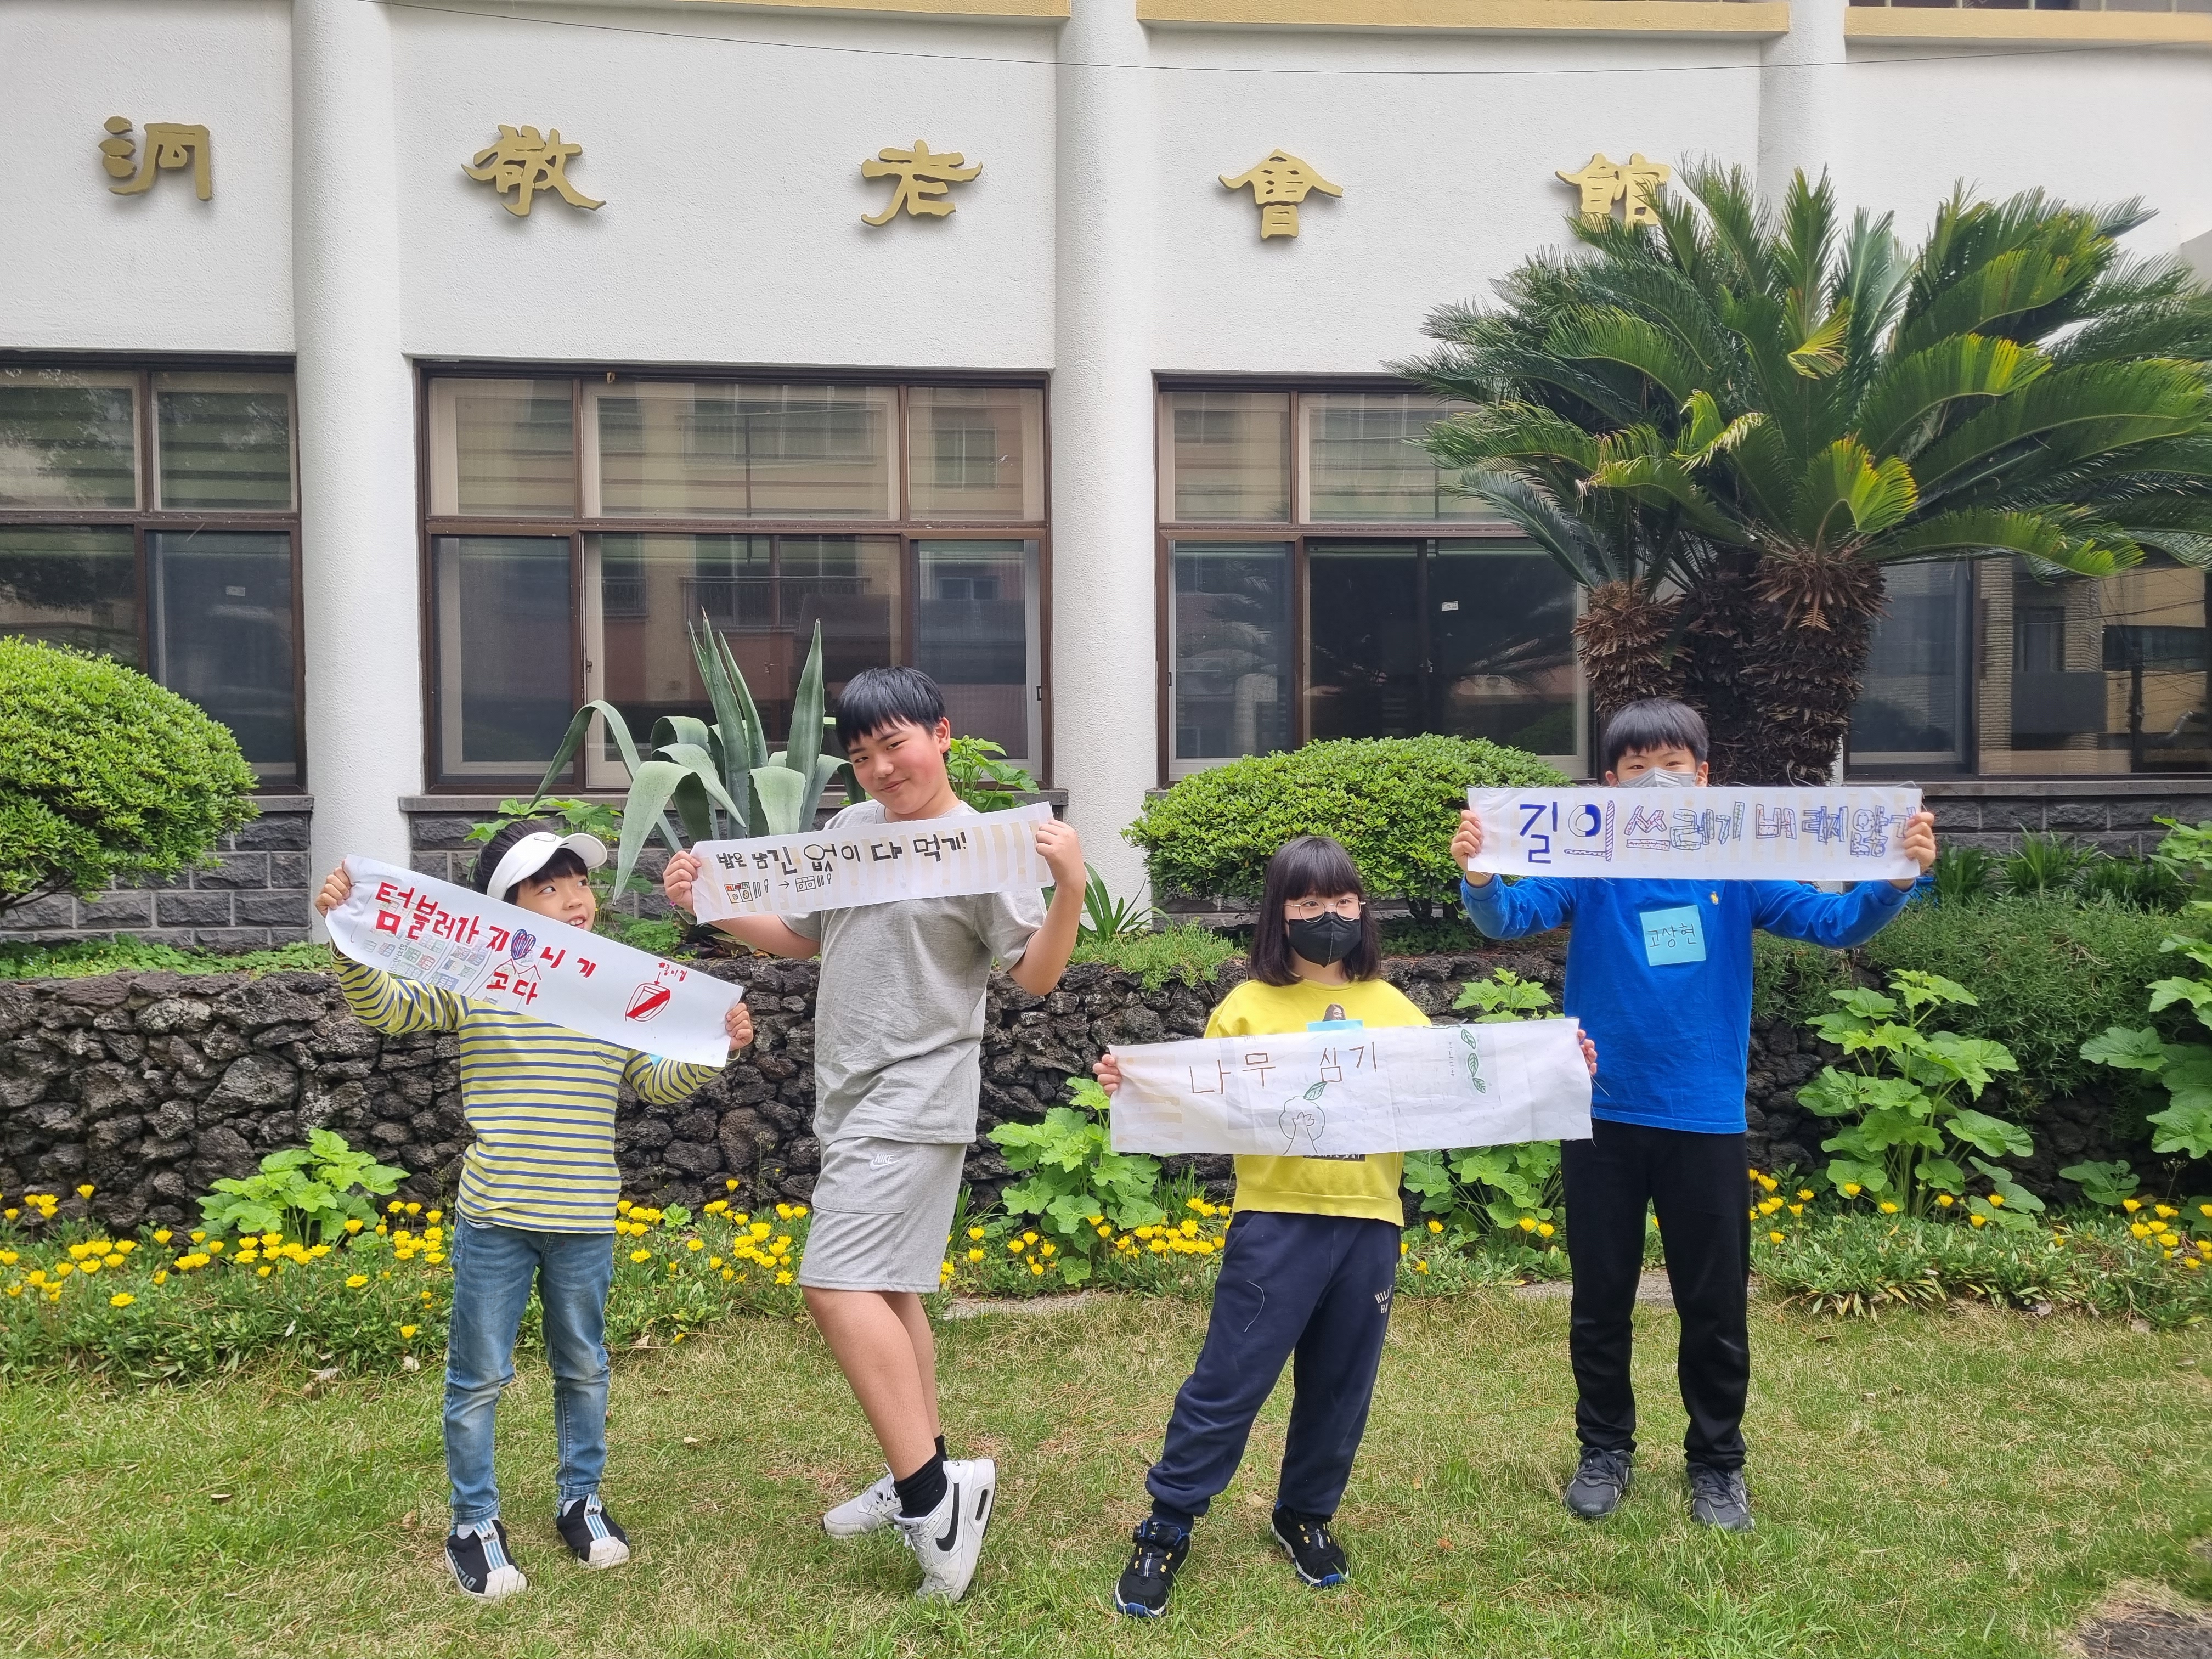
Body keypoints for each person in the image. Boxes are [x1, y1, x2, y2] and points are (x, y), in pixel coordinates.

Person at [1453, 698, 1937, 1533]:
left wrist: (1896, 878)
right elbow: (1512, 917)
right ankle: (1604, 1449)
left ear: (1705, 777)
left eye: (1673, 766)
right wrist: (1480, 876)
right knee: (1600, 1298)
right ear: (1609, 785)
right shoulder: (1591, 863)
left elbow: (1830, 921)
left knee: (1713, 1306)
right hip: (1600, 1113)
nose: (1656, 780)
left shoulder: (1738, 865)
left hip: (1703, 1117)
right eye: (1636, 768)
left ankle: (1718, 1464)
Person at [662, 665, 1087, 1603]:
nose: (882, 768)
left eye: (895, 745)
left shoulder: (982, 848)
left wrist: (1070, 887)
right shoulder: (853, 829)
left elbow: (1034, 976)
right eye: (862, 756)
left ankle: (935, 1502)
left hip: (919, 1092)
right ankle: (925, 1469)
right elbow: (806, 934)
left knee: (834, 1284)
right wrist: (709, 901)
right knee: (889, 1287)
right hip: (850, 1091)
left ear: (941, 735)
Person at [1093, 834, 1598, 1618]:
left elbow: (1460, 1085)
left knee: (1341, 1386)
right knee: (1229, 1380)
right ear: (1280, 915)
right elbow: (1193, 1094)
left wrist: (1560, 1067)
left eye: (1342, 900)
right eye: (1308, 902)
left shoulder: (1392, 1008)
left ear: (1363, 910)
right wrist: (1133, 1083)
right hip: (1276, 1224)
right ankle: (1167, 1523)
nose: (1327, 914)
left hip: (1369, 1224)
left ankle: (1306, 1514)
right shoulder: (1246, 1008)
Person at [314, 820, 754, 1601]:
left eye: (579, 883)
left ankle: (581, 1502)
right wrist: (349, 935)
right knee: (479, 1376)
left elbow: (652, 1081)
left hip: (586, 1215)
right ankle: (472, 1524)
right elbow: (391, 1008)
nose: (576, 899)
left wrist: (711, 1049)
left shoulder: (613, 987)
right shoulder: (478, 978)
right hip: (497, 1215)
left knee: (583, 1367)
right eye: (549, 888)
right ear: (506, 911)